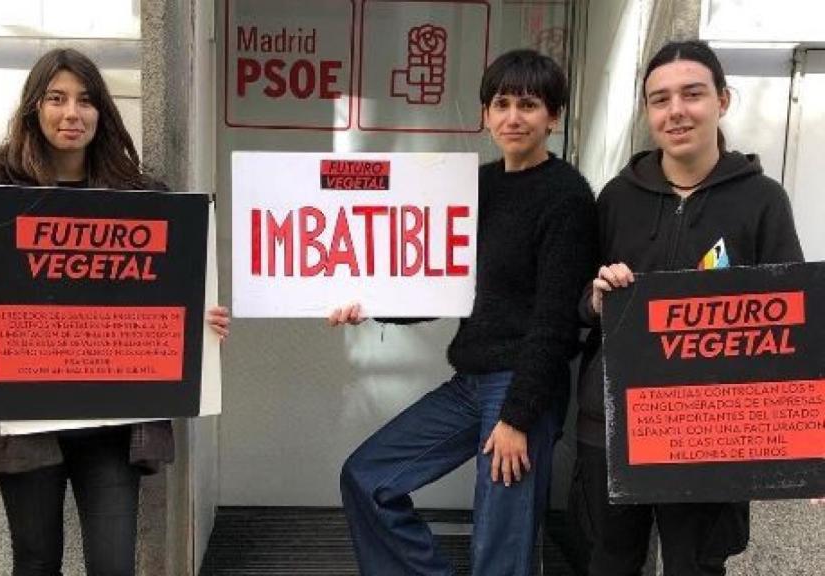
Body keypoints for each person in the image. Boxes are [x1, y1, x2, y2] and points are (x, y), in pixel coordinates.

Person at [0, 47, 229, 576]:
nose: (72, 113)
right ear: (34, 109)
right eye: (57, 99)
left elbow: (173, 295)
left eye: (86, 100)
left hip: (113, 422)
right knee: (36, 561)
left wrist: (201, 328)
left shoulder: (141, 198)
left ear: (102, 113)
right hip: (24, 420)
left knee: (114, 565)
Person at [331, 49, 598, 576]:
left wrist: (518, 417)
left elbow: (554, 321)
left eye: (529, 104)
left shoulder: (567, 196)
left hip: (524, 386)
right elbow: (444, 288)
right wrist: (372, 308)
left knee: (500, 550)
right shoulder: (474, 186)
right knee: (367, 477)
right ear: (484, 114)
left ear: (554, 116)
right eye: (501, 103)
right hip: (471, 382)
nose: (513, 117)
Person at [572, 40, 803, 576]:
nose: (676, 110)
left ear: (723, 100)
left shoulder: (763, 200)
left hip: (708, 426)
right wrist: (595, 297)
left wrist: (800, 444)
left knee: (694, 566)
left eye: (692, 94)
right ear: (648, 113)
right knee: (609, 561)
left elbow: (791, 321)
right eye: (660, 99)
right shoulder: (616, 197)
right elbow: (577, 302)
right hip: (613, 420)